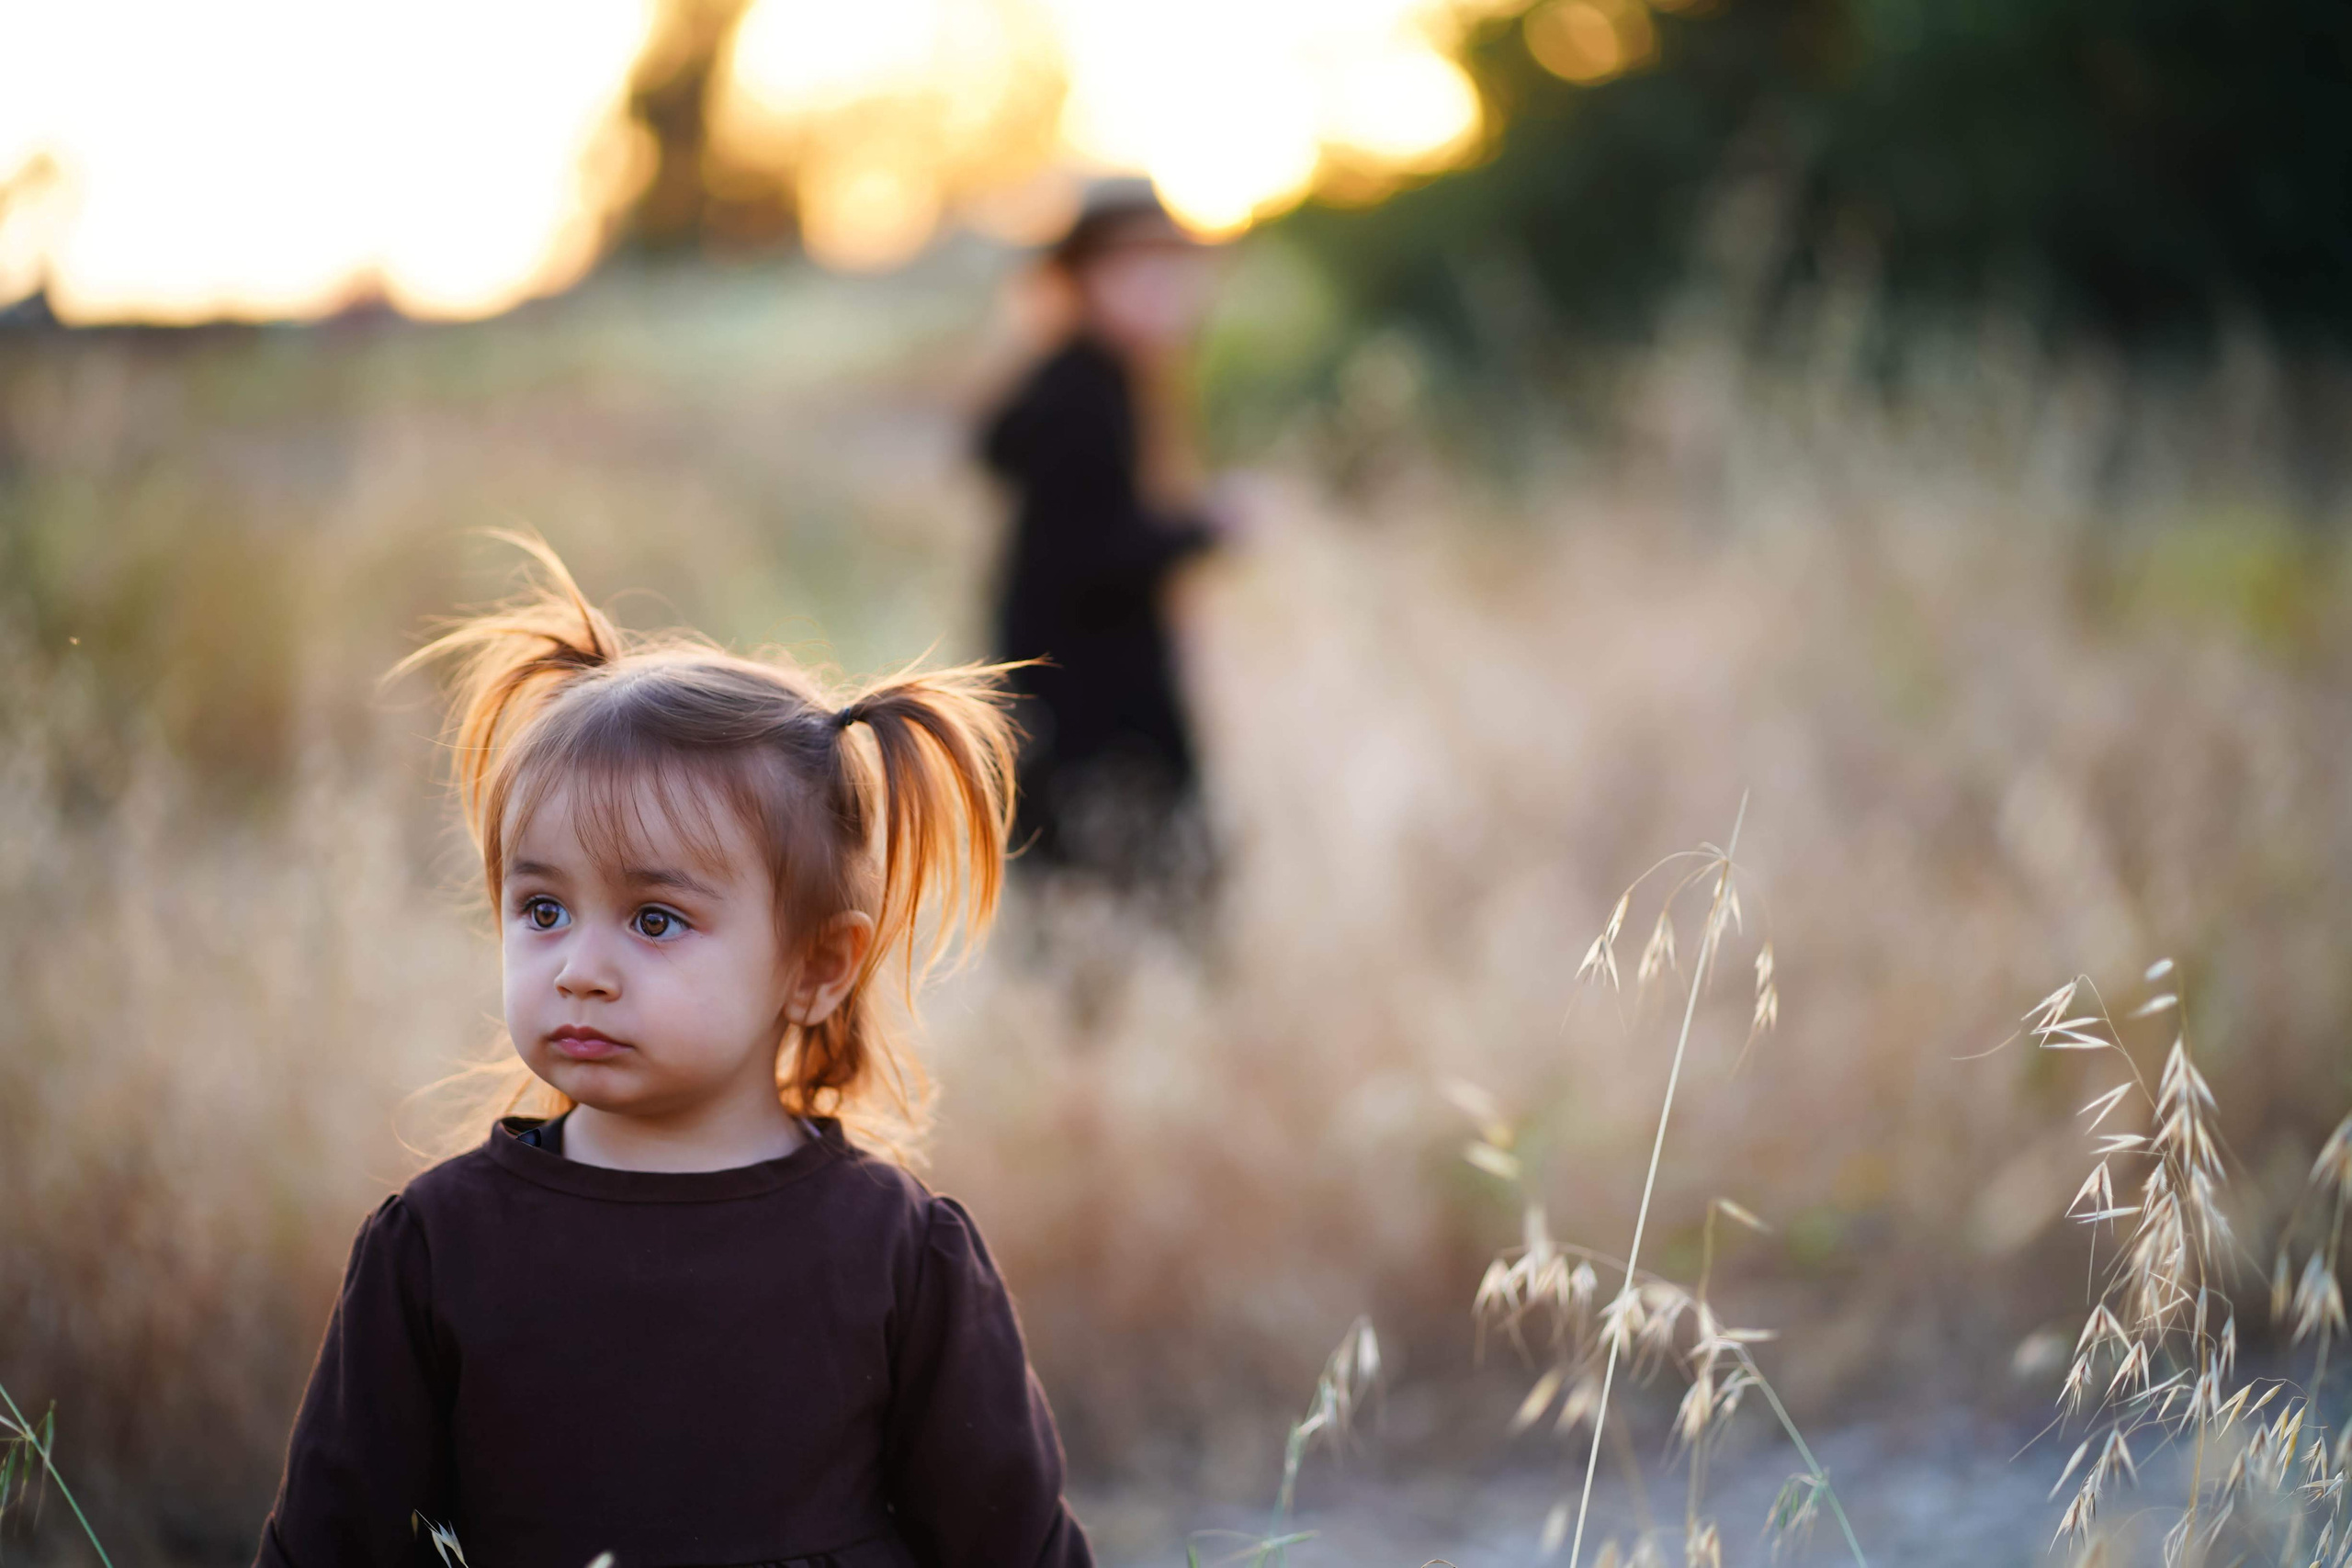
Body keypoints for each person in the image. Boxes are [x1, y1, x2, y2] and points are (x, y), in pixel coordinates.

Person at [253, 536, 1091, 1568]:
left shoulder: (896, 1257)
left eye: (653, 920)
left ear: (818, 966)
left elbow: (1019, 1554)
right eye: (543, 908)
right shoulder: (435, 1251)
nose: (579, 970)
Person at [979, 183, 1225, 891]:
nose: (1163, 290)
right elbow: (1088, 554)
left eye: (1172, 269)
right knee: (1140, 892)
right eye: (1137, 269)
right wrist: (1208, 527)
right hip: (1088, 711)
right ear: (1082, 281)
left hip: (1089, 700)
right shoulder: (1077, 395)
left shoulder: (1100, 381)